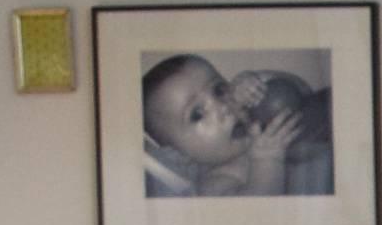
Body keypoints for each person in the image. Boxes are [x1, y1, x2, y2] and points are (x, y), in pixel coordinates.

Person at [142, 53, 333, 199]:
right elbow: (258, 215)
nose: (222, 106)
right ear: (180, 154)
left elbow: (302, 90)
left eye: (219, 90)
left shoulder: (259, 124)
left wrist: (259, 83)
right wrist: (267, 159)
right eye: (197, 114)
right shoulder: (215, 183)